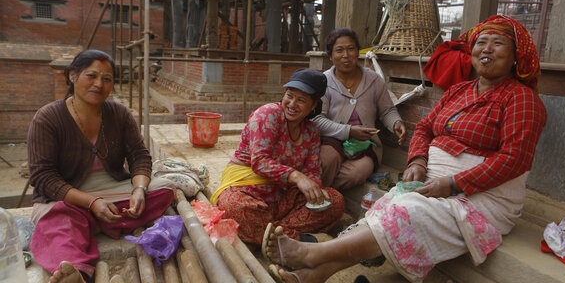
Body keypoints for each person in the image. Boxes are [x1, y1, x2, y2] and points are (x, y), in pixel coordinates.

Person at [262, 15, 547, 283]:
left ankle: (311, 254)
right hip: (432, 182)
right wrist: (418, 162)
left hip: (482, 196)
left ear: (515, 57)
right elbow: (424, 128)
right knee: (387, 205)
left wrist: (451, 184)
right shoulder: (459, 91)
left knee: (404, 209)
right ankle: (314, 275)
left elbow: (515, 159)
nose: (486, 50)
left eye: (497, 44)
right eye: (481, 43)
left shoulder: (521, 99)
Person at [27, 50, 174, 283]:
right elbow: (43, 177)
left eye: (107, 79)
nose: (99, 84)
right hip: (67, 197)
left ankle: (90, 222)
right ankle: (76, 270)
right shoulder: (48, 118)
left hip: (113, 190)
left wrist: (139, 190)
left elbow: (140, 156)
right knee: (57, 219)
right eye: (91, 76)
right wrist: (92, 203)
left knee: (165, 189)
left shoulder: (119, 113)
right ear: (73, 76)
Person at [210, 68, 345, 245]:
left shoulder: (311, 131)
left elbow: (312, 171)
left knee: (334, 201)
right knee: (232, 206)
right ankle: (288, 236)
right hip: (247, 190)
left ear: (313, 105)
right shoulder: (268, 114)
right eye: (290, 95)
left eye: (301, 100)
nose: (292, 104)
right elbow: (260, 162)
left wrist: (314, 193)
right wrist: (297, 176)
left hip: (282, 198)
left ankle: (271, 233)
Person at [313, 28, 406, 190]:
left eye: (351, 49)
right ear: (331, 55)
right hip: (331, 140)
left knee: (355, 174)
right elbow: (317, 120)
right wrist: (348, 131)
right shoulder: (323, 82)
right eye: (339, 50)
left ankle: (326, 193)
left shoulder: (373, 80)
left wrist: (396, 123)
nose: (346, 55)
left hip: (365, 144)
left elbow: (387, 110)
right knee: (326, 161)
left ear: (358, 52)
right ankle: (317, 197)